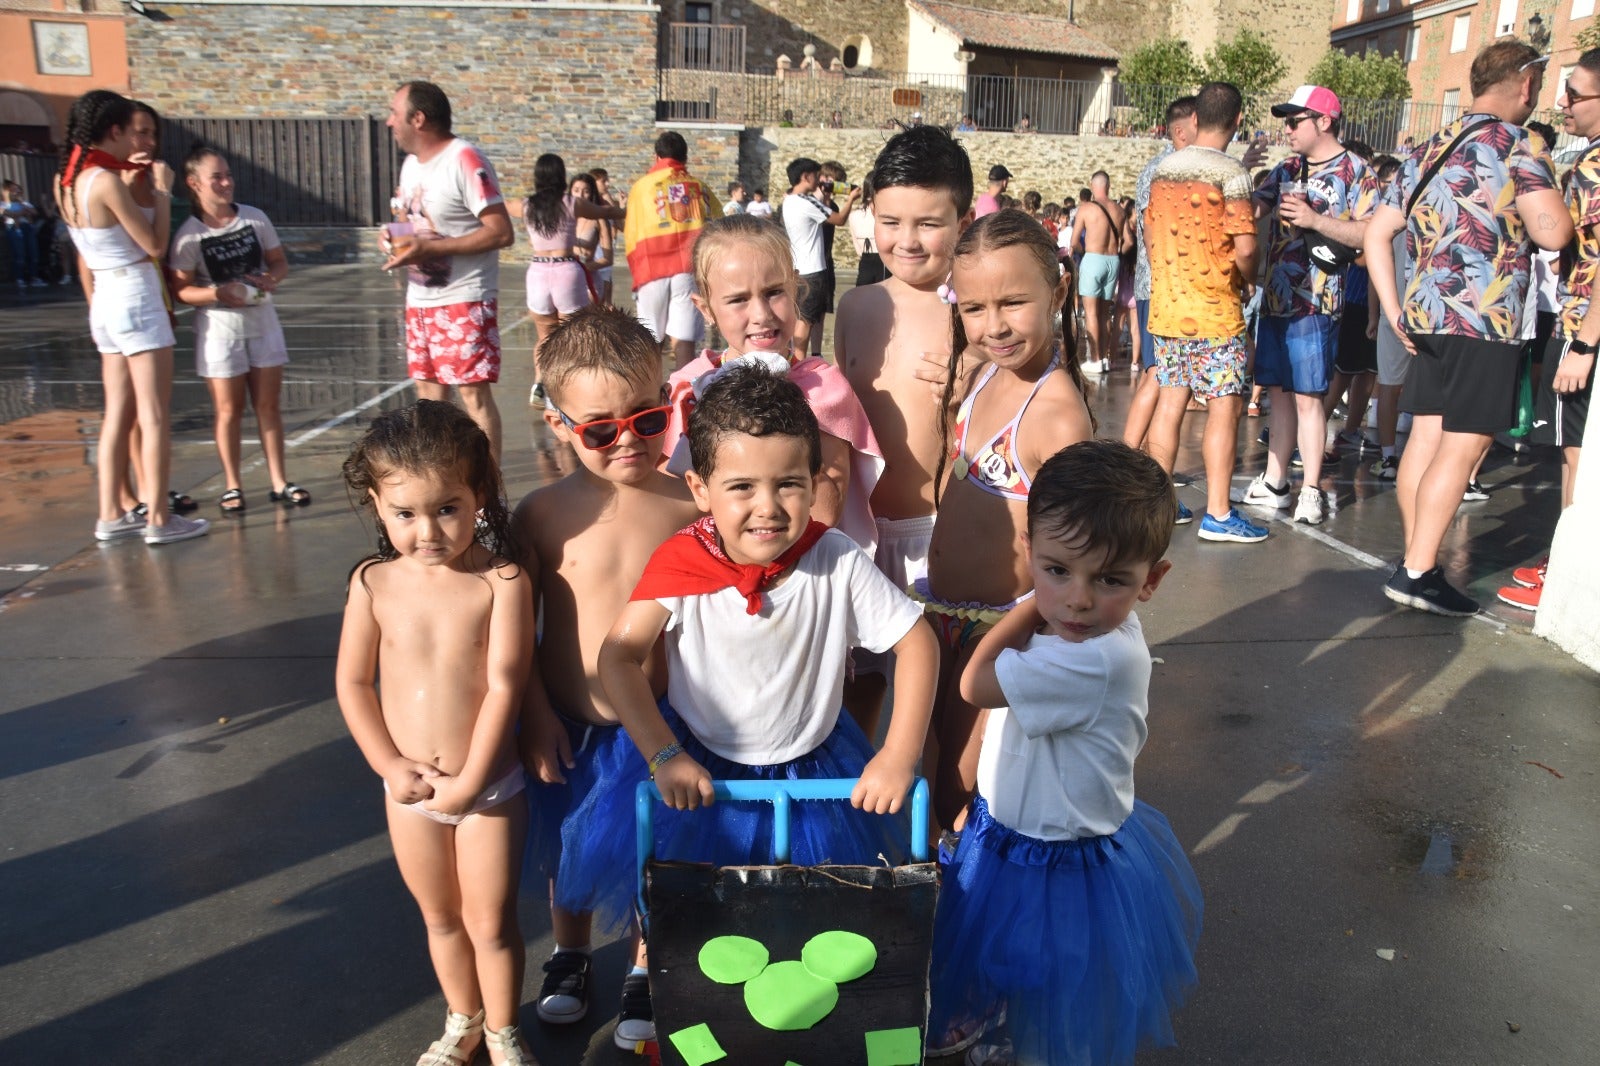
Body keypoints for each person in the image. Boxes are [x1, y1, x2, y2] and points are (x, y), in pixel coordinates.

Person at [592, 363, 939, 1011]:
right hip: (706, 769)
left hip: (813, 771)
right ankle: (668, 989)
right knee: (695, 902)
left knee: (812, 912)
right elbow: (618, 658)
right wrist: (662, 752)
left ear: (816, 482)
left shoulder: (832, 557)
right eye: (741, 486)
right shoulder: (680, 562)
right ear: (700, 487)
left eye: (788, 484)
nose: (767, 506)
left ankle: (799, 1024)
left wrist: (897, 754)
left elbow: (915, 643)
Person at [927, 439, 1201, 1066]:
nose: (1077, 600)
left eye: (1109, 580)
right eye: (1059, 571)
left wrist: (1027, 601)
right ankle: (1010, 1037)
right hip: (1020, 833)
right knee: (1024, 976)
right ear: (1029, 550)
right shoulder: (1097, 629)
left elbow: (975, 682)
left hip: (1056, 859)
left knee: (1055, 1001)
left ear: (1152, 580)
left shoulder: (1089, 656)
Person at [514, 305, 700, 1049]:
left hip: (661, 725)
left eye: (646, 419)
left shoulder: (692, 502)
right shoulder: (540, 516)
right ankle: (568, 952)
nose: (626, 441)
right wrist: (534, 714)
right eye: (599, 429)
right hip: (572, 724)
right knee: (570, 850)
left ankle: (644, 967)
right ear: (560, 424)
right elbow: (517, 636)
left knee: (656, 853)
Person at [335, 400, 537, 1066]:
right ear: (376, 503)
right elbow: (353, 685)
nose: (427, 531)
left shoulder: (502, 581)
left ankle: (504, 1031)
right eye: (405, 514)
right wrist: (388, 765)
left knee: (490, 923)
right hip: (408, 791)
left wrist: (473, 781)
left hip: (488, 790)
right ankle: (463, 1019)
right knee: (440, 918)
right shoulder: (372, 583)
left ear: (479, 493)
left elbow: (506, 686)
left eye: (447, 508)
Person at [1365, 41, 1571, 615]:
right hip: (1487, 316)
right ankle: (1415, 571)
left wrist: (1394, 306)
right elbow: (1551, 232)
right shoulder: (1517, 143)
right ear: (1525, 85)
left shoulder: (1427, 148)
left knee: (1425, 439)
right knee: (1464, 444)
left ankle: (1416, 559)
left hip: (1428, 314)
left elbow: (1377, 233)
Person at [923, 209, 1095, 834]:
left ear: (1059, 291)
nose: (992, 326)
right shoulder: (985, 373)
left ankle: (976, 913)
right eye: (973, 308)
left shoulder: (1056, 413)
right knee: (932, 777)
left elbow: (1077, 555)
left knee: (967, 795)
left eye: (1013, 303)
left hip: (998, 634)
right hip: (942, 613)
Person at [836, 124, 975, 735]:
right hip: (860, 535)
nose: (907, 240)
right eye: (891, 221)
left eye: (929, 223)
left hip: (939, 535)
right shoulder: (857, 306)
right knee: (856, 684)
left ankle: (942, 822)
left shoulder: (975, 313)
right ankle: (852, 807)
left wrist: (978, 372)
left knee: (943, 696)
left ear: (963, 220)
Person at [665, 214, 883, 552]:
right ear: (705, 308)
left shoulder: (821, 389)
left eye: (774, 292)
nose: (762, 314)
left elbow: (825, 509)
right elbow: (672, 505)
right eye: (738, 299)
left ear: (795, 288)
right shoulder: (689, 388)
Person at [58, 90, 209, 545]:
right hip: (133, 292)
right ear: (115, 130)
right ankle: (159, 518)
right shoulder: (102, 178)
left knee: (117, 413)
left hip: (105, 295)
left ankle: (110, 514)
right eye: (131, 130)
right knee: (154, 413)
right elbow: (154, 244)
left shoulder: (66, 180)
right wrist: (162, 193)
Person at [1239, 85, 1378, 526]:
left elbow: (1371, 234)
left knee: (1309, 399)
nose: (1288, 128)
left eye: (1295, 120)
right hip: (1276, 299)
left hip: (1317, 301)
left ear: (1324, 120)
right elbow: (1251, 213)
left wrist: (1316, 220)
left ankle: (1312, 489)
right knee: (1279, 394)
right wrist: (1242, 174)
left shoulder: (1356, 170)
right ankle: (1277, 482)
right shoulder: (1285, 168)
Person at [1498, 53, 1600, 612]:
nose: (1563, 103)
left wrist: (1583, 343)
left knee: (1577, 455)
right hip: (1580, 319)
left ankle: (1568, 568)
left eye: (1576, 94)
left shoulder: (1594, 167)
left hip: (1584, 323)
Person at [1145, 81, 1268, 545]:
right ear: (1237, 121)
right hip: (1216, 310)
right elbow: (1246, 246)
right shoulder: (1232, 174)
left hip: (1170, 306)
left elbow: (1152, 234)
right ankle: (1218, 512)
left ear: (1194, 119)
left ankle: (1160, 503)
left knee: (1170, 402)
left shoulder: (1163, 170)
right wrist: (1251, 273)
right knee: (1223, 408)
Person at [382, 81, 515, 463]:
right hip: (420, 299)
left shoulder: (465, 159)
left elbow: (501, 231)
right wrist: (393, 237)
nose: (390, 121)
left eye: (395, 113)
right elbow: (411, 221)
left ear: (418, 119)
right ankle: (437, 478)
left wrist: (431, 248)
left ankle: (487, 493)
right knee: (427, 397)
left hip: (464, 298)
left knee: (472, 396)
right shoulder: (410, 166)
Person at [170, 144, 304, 514]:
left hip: (262, 324)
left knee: (269, 406)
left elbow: (279, 263)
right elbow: (180, 290)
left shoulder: (254, 219)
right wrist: (217, 291)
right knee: (228, 411)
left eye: (228, 175)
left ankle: (279, 481)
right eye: (217, 177)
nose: (227, 183)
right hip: (219, 332)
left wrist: (270, 279)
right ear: (194, 183)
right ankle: (233, 485)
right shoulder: (188, 236)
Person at [1125, 97, 1198, 455]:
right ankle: (1127, 459)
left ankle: (1138, 462)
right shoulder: (1168, 169)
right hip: (1162, 288)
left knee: (1159, 375)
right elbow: (1158, 232)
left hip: (1158, 286)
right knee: (1159, 374)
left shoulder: (1167, 166)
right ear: (1182, 131)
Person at [522, 152, 624, 390]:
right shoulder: (570, 203)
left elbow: (498, 206)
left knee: (544, 335)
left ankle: (540, 384)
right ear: (561, 176)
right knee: (573, 332)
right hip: (565, 268)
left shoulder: (527, 205)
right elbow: (606, 213)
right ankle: (568, 386)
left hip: (537, 270)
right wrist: (630, 211)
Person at [624, 131, 720, 369]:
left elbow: (631, 232)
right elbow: (719, 227)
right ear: (685, 158)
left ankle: (650, 395)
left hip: (652, 268)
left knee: (649, 339)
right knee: (684, 337)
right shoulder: (701, 189)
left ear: (656, 157)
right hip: (688, 269)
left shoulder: (641, 188)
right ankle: (684, 396)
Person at [780, 156, 860, 357]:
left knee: (800, 319)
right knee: (805, 323)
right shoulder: (806, 202)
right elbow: (839, 219)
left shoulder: (788, 200)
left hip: (796, 268)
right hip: (813, 271)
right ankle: (798, 366)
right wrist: (851, 198)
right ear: (806, 177)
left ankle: (795, 361)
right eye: (817, 176)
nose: (820, 181)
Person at [1068, 171, 1126, 376]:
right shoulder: (1119, 210)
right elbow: (1126, 242)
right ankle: (1104, 358)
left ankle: (1094, 359)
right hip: (1113, 260)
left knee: (1091, 312)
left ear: (1093, 187)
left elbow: (1074, 242)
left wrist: (1086, 253)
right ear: (1108, 186)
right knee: (1104, 313)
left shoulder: (1087, 208)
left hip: (1094, 258)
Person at [3, 178, 44, 289]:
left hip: (27, 227)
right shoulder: (3, 204)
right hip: (14, 228)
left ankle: (34, 277)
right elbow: (10, 214)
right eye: (13, 190)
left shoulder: (24, 202)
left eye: (18, 190)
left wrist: (22, 205)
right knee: (19, 254)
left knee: (33, 252)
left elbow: (34, 212)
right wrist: (23, 213)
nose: (16, 192)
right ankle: (19, 278)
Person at [587, 168, 620, 307]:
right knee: (593, 304)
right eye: (603, 181)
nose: (607, 184)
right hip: (594, 260)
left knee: (607, 304)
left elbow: (621, 226)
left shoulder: (609, 203)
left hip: (606, 259)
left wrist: (613, 203)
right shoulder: (586, 206)